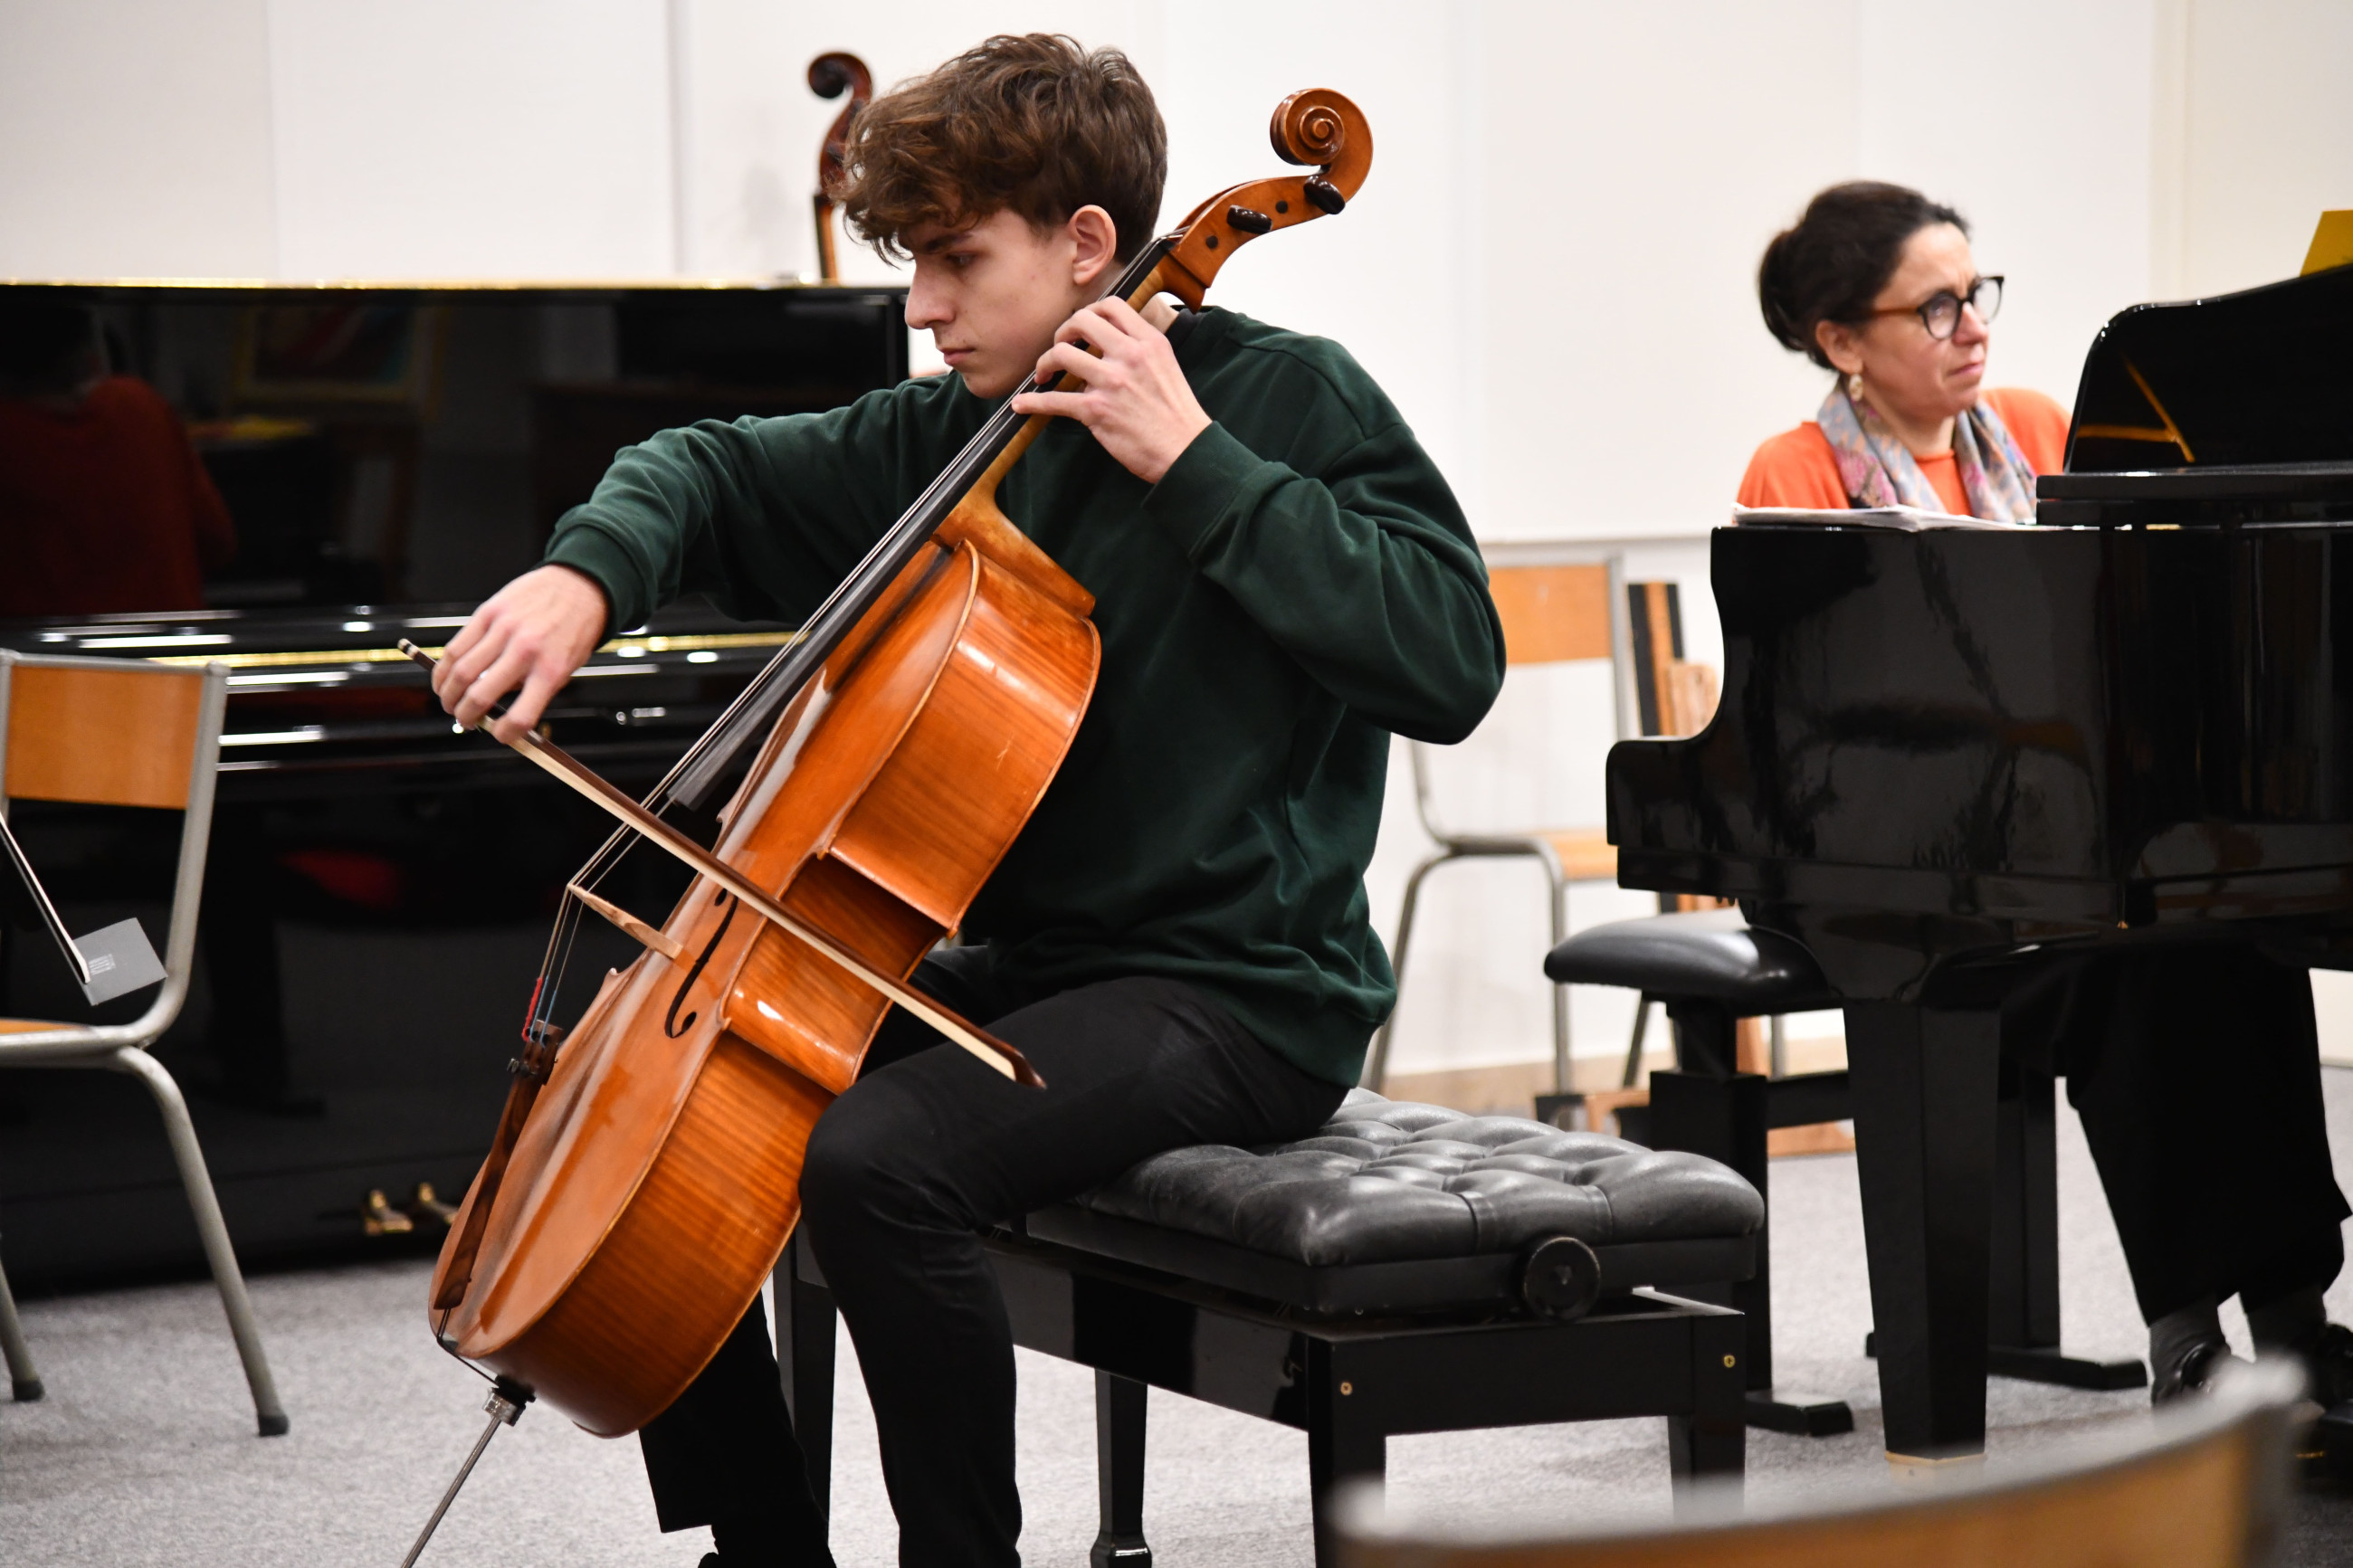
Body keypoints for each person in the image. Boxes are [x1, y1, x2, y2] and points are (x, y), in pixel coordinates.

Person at [429, 34, 1501, 1568]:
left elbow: (1451, 659)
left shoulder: (1287, 399)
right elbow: (703, 467)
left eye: (957, 261)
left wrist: (1195, 463)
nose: (922, 308)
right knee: (665, 1101)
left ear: (1086, 245)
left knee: (880, 1158)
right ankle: (764, 1546)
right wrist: (585, 577)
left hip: (1242, 994)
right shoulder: (954, 437)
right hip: (1031, 976)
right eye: (914, 266)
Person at [1743, 181, 2353, 1406]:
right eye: (1934, 307)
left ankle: (2295, 1320)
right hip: (1884, 875)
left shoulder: (2034, 427)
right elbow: (1809, 735)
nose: (1972, 325)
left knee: (2232, 926)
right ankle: (2184, 1337)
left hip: (2054, 843)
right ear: (1842, 339)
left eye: (1976, 293)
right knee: (2131, 958)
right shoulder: (1795, 471)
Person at [0, 303, 236, 616]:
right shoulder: (142, 407)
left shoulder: (11, 433)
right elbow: (217, 542)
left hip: (40, 645)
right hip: (172, 638)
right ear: (88, 351)